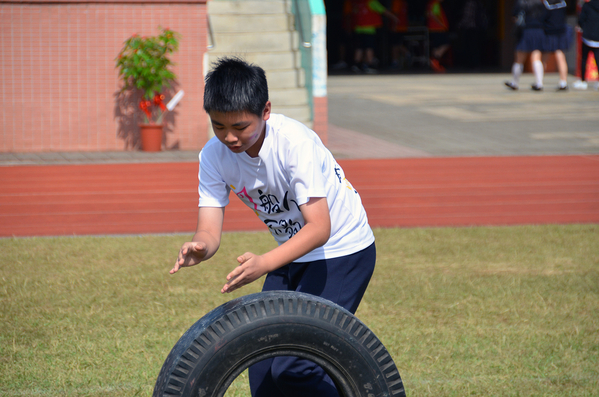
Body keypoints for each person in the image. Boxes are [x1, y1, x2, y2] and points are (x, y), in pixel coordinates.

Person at [172, 57, 377, 397]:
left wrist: (265, 263)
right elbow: (209, 228)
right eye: (219, 126)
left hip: (342, 251)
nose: (230, 138)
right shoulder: (212, 156)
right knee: (263, 363)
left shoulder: (294, 143)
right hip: (293, 251)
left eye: (240, 127)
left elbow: (319, 228)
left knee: (296, 367)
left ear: (265, 110)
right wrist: (200, 246)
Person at [505, 0, 548, 91]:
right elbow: (546, 16)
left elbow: (515, 17)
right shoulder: (541, 3)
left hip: (525, 31)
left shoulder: (521, 2)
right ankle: (539, 83)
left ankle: (515, 82)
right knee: (536, 58)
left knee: (519, 58)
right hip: (538, 30)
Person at [351, 0, 399, 73]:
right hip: (369, 29)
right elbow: (383, 11)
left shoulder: (358, 3)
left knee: (359, 47)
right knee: (369, 47)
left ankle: (356, 65)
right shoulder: (372, 2)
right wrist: (394, 18)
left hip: (358, 28)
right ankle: (369, 65)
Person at [540, 0, 572, 91]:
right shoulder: (563, 3)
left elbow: (543, 18)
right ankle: (563, 81)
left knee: (545, 57)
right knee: (560, 56)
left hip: (549, 32)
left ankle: (539, 81)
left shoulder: (546, 4)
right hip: (561, 31)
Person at [573, 0, 599, 90]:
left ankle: (583, 81)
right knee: (598, 59)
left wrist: (584, 28)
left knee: (584, 59)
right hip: (598, 37)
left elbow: (581, 19)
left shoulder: (586, 6)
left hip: (587, 36)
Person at [426, 0, 451, 73]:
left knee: (436, 46)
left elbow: (428, 14)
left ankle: (434, 63)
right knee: (446, 44)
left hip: (432, 28)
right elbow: (432, 14)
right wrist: (441, 24)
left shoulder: (430, 3)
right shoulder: (436, 3)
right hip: (438, 28)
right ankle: (435, 60)